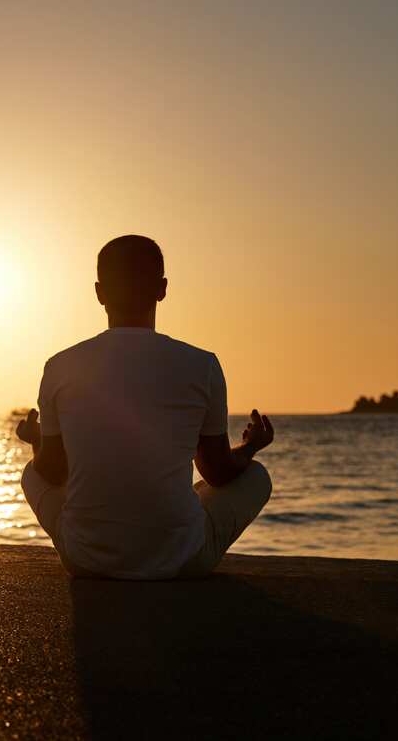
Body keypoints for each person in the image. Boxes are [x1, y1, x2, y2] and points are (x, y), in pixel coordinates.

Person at [17, 235, 274, 579]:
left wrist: (36, 441)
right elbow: (218, 472)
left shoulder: (61, 366)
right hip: (182, 562)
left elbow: (51, 472)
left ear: (99, 292)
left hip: (86, 560)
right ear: (162, 289)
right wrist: (252, 446)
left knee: (30, 472)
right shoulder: (202, 365)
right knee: (255, 476)